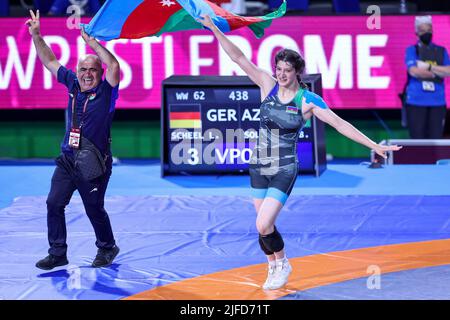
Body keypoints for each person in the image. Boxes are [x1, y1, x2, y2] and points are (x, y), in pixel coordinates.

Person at [197, 15, 402, 290]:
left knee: (262, 224)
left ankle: (282, 262)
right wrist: (213, 29)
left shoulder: (307, 101)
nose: (281, 74)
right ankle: (272, 266)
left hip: (283, 169)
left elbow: (340, 125)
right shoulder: (266, 85)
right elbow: (239, 58)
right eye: (278, 68)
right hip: (259, 166)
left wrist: (374, 146)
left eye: (287, 70)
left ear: (297, 72)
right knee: (263, 227)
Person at [26, 10, 121, 270]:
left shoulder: (107, 91)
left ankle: (108, 246)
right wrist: (37, 36)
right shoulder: (72, 84)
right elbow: (50, 60)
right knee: (53, 203)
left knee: (94, 209)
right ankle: (58, 253)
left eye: (92, 69)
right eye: (83, 69)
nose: (87, 73)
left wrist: (92, 44)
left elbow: (113, 66)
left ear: (99, 74)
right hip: (68, 158)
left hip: (93, 163)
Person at [404, 15, 450, 139]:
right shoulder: (411, 50)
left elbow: (448, 71)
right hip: (416, 101)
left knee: (436, 139)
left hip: (438, 102)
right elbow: (413, 71)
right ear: (416, 32)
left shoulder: (441, 51)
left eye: (429, 30)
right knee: (417, 140)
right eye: (423, 31)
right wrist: (438, 72)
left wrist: (427, 67)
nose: (427, 33)